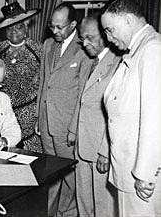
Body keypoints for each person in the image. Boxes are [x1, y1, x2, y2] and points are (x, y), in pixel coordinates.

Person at [101, 0, 161, 217]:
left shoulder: (153, 50)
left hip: (142, 177)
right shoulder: (138, 50)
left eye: (110, 29)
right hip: (129, 168)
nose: (108, 38)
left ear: (127, 20)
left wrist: (145, 174)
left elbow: (155, 118)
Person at [36, 2, 90, 217]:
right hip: (47, 124)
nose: (55, 31)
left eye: (60, 27)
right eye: (52, 26)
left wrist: (75, 128)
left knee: (71, 178)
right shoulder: (48, 44)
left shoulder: (84, 48)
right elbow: (43, 83)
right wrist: (40, 119)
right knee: (51, 176)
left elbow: (83, 95)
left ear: (73, 24)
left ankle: (67, 214)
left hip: (67, 127)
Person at [68, 13, 120, 217]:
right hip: (83, 145)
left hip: (100, 149)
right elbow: (82, 100)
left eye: (90, 38)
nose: (84, 43)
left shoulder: (116, 64)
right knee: (84, 204)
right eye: (83, 38)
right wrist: (74, 131)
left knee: (103, 207)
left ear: (105, 36)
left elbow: (116, 114)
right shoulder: (91, 61)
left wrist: (105, 151)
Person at [0, 1, 43, 153]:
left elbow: (45, 84)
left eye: (18, 26)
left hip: (29, 116)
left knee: (31, 159)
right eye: (9, 27)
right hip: (1, 113)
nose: (13, 31)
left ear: (26, 28)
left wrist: (40, 115)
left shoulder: (38, 50)